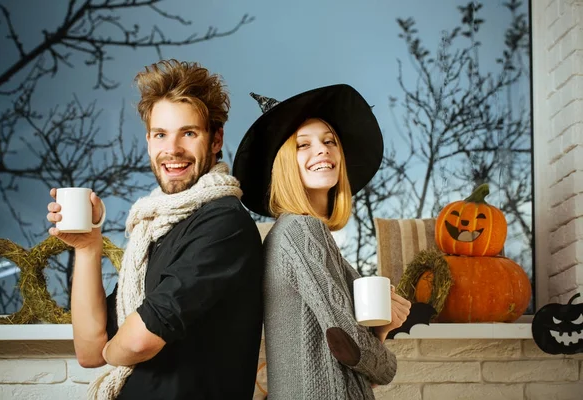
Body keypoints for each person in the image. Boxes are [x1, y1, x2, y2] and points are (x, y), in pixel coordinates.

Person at [46, 60, 264, 400]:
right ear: (149, 141)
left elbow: (138, 340)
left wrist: (118, 353)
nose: (172, 149)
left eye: (189, 133)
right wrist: (89, 246)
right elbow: (90, 349)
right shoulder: (155, 230)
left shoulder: (224, 222)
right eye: (161, 134)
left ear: (216, 138)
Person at [233, 84, 411, 399]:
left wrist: (381, 329)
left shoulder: (292, 233)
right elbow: (349, 342)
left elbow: (345, 355)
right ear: (285, 163)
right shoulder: (302, 230)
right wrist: (388, 367)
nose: (322, 150)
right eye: (303, 144)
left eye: (329, 141)